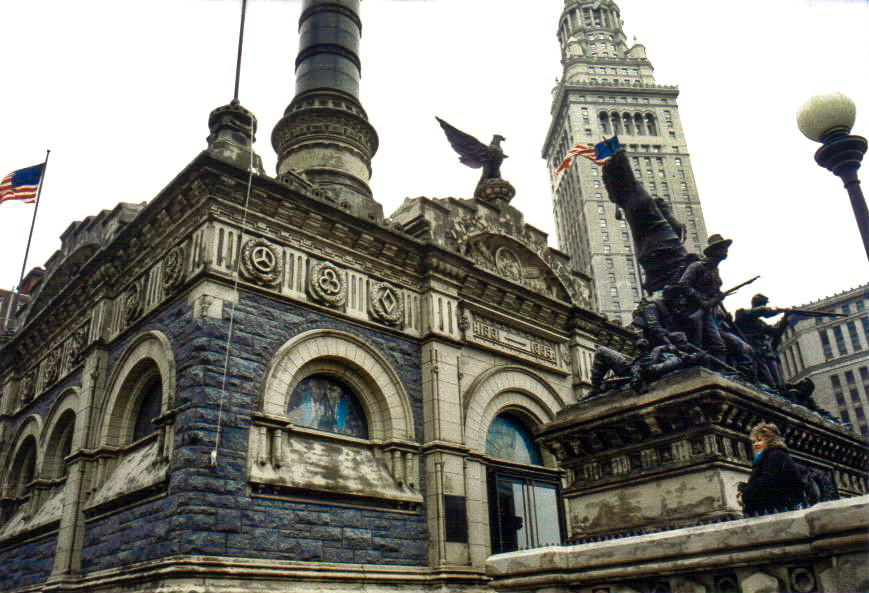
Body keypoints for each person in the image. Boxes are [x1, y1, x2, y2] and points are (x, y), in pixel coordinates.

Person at [736, 423, 805, 516]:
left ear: (770, 441)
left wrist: (745, 495)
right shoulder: (766, 458)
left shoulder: (776, 455)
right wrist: (743, 490)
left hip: (776, 512)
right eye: (753, 442)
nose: (755, 444)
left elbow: (768, 480)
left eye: (759, 440)